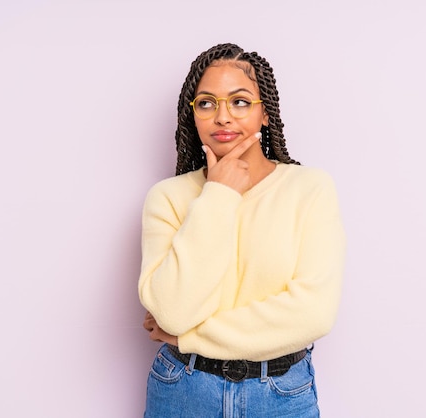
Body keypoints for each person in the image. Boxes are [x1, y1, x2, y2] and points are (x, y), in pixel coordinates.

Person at [138, 43, 345, 417]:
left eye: (240, 101)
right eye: (206, 103)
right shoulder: (167, 198)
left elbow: (313, 313)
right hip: (183, 390)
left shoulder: (309, 189)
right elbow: (171, 312)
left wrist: (190, 337)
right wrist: (219, 194)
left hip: (281, 394)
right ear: (193, 115)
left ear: (265, 113)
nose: (222, 117)